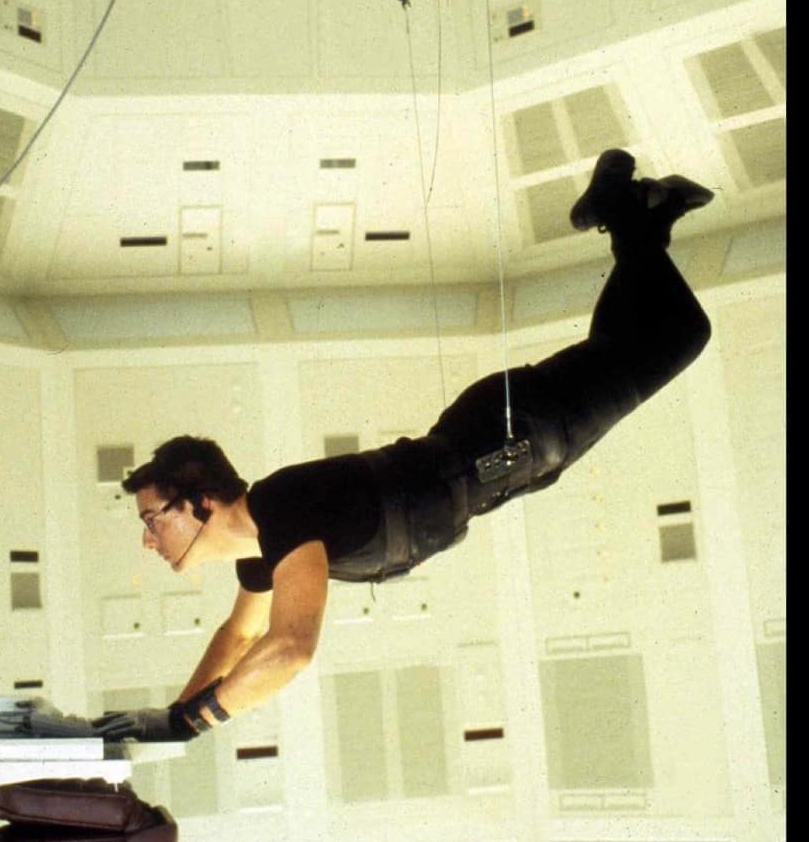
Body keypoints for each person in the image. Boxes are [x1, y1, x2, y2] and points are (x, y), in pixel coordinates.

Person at [94, 149, 713, 743]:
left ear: (201, 502)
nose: (148, 540)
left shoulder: (281, 508)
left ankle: (631, 215)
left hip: (518, 432)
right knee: (625, 346)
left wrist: (192, 722)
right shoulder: (264, 551)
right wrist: (169, 722)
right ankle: (636, 218)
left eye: (152, 519)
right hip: (513, 449)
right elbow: (238, 637)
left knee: (682, 332)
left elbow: (289, 649)